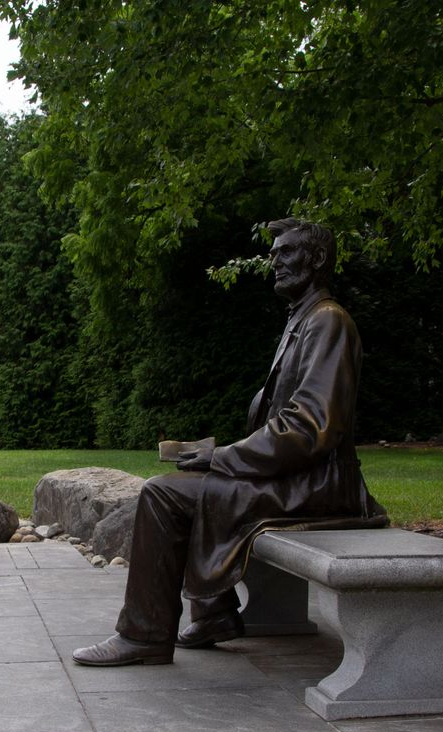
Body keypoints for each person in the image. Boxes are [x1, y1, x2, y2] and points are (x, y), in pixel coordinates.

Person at [72, 217, 388, 667]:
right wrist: (219, 455)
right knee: (198, 481)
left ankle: (144, 635)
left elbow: (311, 428)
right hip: (300, 477)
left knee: (164, 494)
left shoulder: (328, 321)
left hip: (319, 486)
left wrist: (224, 456)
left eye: (285, 252)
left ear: (316, 259)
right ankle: (214, 610)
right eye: (273, 253)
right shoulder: (305, 320)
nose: (274, 260)